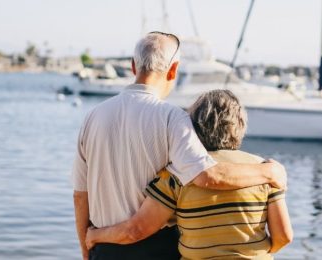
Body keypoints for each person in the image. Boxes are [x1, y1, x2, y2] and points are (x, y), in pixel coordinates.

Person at [72, 32, 287, 260]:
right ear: (173, 69)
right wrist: (269, 171)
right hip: (158, 250)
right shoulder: (172, 117)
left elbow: (80, 196)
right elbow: (207, 176)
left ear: (133, 67)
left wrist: (88, 249)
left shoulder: (92, 117)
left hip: (103, 248)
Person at [85, 90, 293, 259]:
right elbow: (284, 236)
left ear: (193, 128)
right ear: (240, 126)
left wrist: (95, 235)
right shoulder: (266, 171)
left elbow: (137, 230)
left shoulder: (177, 174)